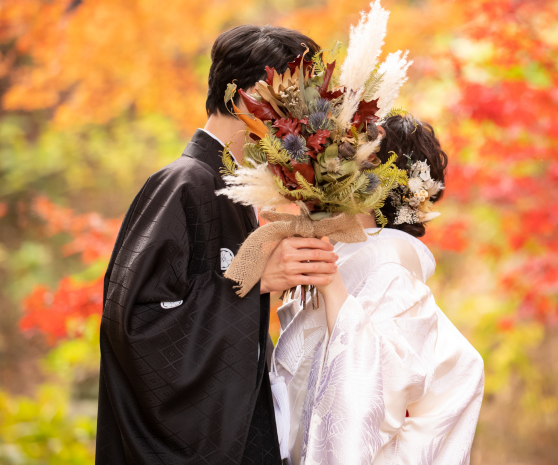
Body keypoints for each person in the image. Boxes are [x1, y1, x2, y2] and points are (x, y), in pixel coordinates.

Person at [96, 25, 339, 464]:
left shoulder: (234, 192)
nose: (304, 119)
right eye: (297, 98)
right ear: (253, 95)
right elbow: (134, 325)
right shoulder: (183, 183)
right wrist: (253, 281)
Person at [270, 115, 485, 464]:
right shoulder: (337, 269)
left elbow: (359, 412)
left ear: (374, 181)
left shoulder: (390, 279)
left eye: (344, 155)